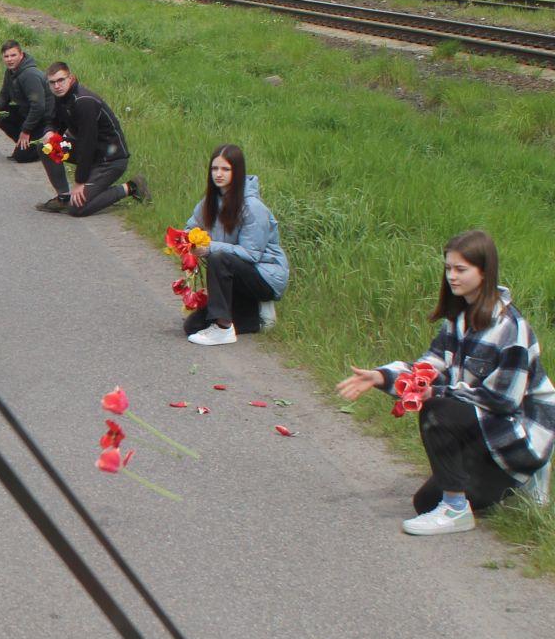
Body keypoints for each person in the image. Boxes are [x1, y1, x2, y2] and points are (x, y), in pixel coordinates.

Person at [337, 230, 555, 536]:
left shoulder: (510, 328)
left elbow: (504, 400)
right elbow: (430, 367)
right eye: (448, 268)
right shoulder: (459, 319)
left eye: (461, 269)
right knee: (424, 502)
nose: (452, 276)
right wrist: (381, 376)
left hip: (518, 435)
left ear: (485, 271)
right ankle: (514, 488)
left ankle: (457, 507)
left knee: (437, 410)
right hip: (488, 428)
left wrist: (435, 392)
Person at [181, 144, 288, 345]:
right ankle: (257, 317)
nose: (218, 174)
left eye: (225, 169)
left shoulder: (252, 207)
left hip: (264, 276)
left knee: (218, 257)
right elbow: (190, 228)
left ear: (237, 172)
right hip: (234, 274)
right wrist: (187, 242)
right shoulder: (210, 201)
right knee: (192, 327)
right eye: (215, 169)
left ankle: (223, 328)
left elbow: (251, 254)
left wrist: (210, 247)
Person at [35, 62, 149, 215]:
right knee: (45, 146)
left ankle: (132, 187)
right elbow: (53, 120)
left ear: (71, 78)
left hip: (110, 160)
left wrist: (79, 182)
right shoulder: (61, 97)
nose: (57, 86)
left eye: (61, 80)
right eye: (52, 82)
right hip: (93, 153)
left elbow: (87, 144)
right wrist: (50, 132)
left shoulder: (84, 101)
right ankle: (63, 197)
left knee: (77, 209)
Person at [0, 39, 51, 162]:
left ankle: (40, 145)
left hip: (43, 120)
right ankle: (24, 144)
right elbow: (4, 95)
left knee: (21, 158)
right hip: (27, 113)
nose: (9, 59)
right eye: (6, 56)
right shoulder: (10, 72)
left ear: (21, 55)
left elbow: (38, 107)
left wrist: (26, 130)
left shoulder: (30, 75)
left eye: (13, 55)